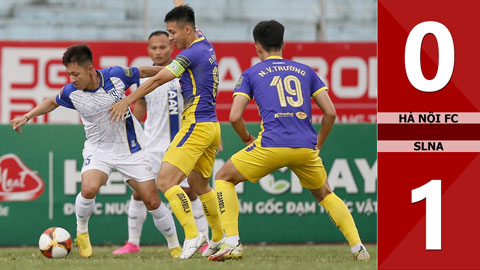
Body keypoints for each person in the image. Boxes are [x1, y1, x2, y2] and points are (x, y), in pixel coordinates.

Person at [208, 20, 371, 262]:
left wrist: (246, 138)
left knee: (223, 177)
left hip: (270, 145)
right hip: (305, 147)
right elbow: (331, 113)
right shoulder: (306, 71)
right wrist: (319, 143)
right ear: (283, 44)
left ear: (257, 47)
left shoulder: (251, 73)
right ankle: (359, 249)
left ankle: (232, 242)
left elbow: (234, 117)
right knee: (325, 193)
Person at [10, 44, 181, 259]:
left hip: (131, 148)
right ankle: (82, 230)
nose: (71, 79)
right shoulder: (72, 92)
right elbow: (52, 102)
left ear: (90, 69)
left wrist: (176, 70)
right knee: (89, 188)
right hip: (99, 148)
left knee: (152, 200)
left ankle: (175, 245)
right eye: (68, 74)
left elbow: (144, 72)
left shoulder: (116, 76)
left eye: (75, 73)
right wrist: (27, 116)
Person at [109, 3, 224, 259]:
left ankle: (194, 236)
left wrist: (127, 99)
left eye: (171, 35)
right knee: (199, 185)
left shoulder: (188, 57)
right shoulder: (204, 43)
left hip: (191, 129)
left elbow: (160, 77)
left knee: (167, 183)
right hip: (202, 127)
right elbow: (185, 13)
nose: (169, 39)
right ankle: (218, 237)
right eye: (164, 37)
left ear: (186, 30)